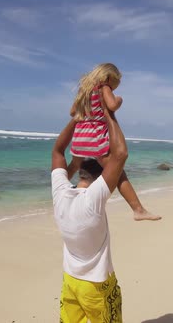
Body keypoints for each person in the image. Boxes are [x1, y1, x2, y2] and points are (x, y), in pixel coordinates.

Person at [51, 101, 128, 322]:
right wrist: (108, 113)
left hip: (70, 281)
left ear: (80, 172)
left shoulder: (60, 193)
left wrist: (77, 119)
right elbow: (120, 155)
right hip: (96, 285)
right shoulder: (94, 200)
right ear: (100, 177)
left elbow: (57, 151)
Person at [68, 63, 160, 221]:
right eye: (115, 85)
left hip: (79, 139)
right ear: (109, 77)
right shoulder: (104, 88)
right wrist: (118, 100)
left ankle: (61, 190)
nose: (114, 89)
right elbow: (112, 105)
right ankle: (138, 209)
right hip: (95, 139)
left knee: (77, 168)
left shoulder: (84, 91)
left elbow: (72, 112)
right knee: (117, 172)